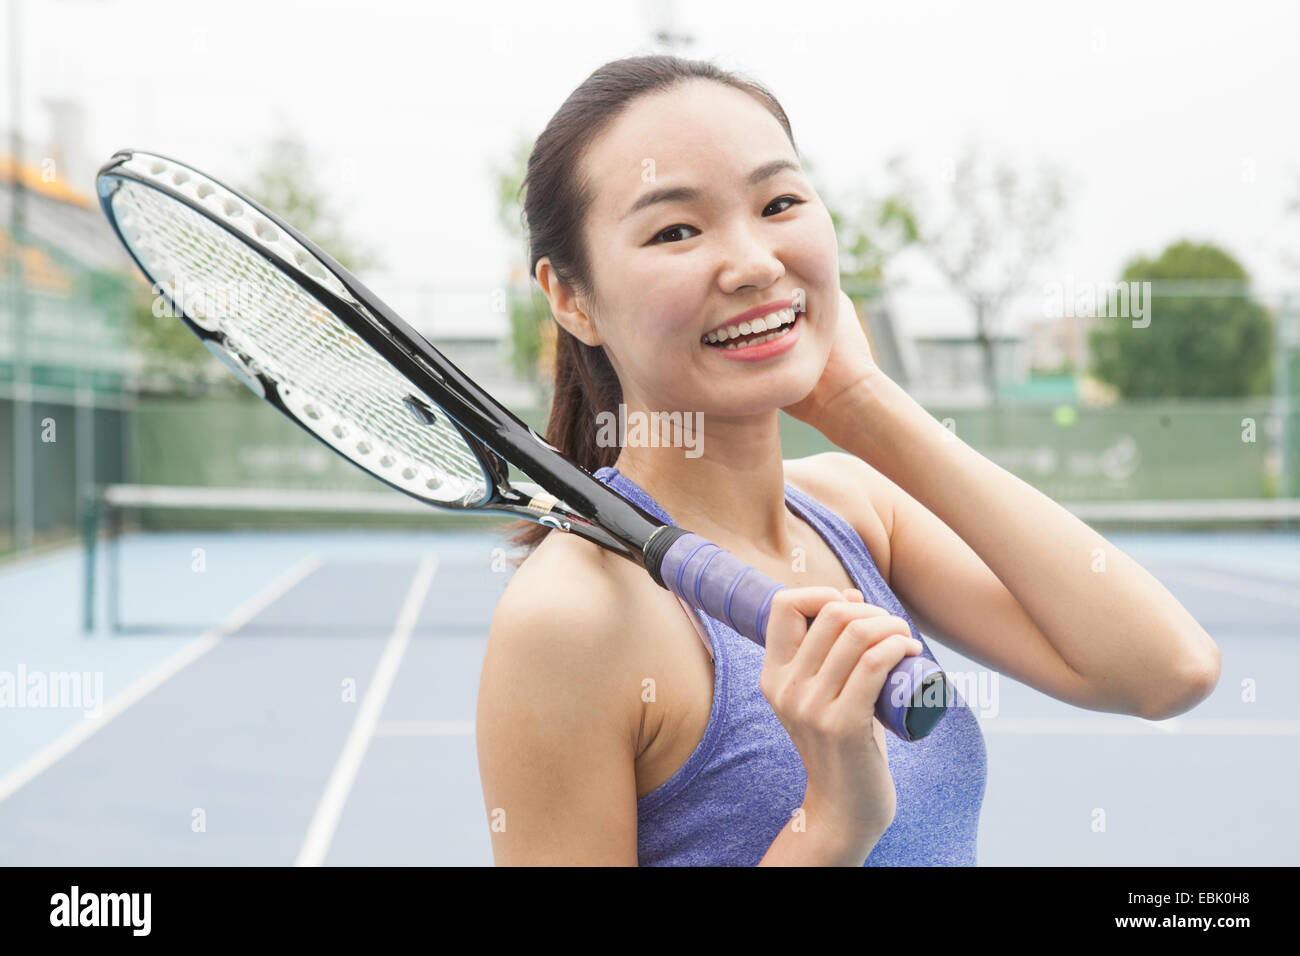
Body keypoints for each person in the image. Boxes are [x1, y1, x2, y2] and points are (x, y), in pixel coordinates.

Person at [475, 54, 1221, 866]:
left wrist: (865, 403)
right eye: (676, 230)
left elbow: (1167, 669)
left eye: (780, 202)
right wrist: (829, 824)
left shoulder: (857, 512)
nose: (756, 262)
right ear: (570, 297)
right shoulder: (571, 620)